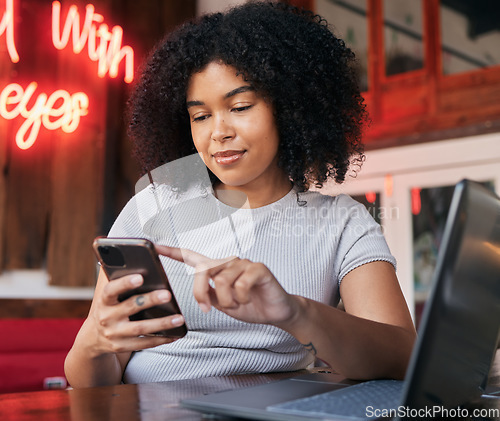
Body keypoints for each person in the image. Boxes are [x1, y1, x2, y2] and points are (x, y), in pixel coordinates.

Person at [65, 1, 416, 388]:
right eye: (200, 116)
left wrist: (294, 312)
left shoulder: (342, 223)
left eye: (240, 106)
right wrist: (95, 343)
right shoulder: (154, 206)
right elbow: (89, 383)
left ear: (289, 109)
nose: (218, 132)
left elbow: (402, 357)